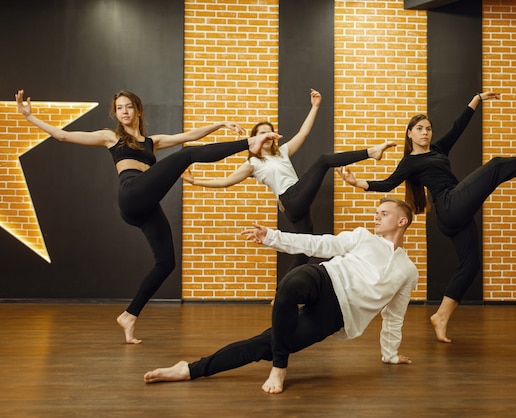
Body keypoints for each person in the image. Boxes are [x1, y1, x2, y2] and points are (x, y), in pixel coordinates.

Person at [15, 89, 279, 344]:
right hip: (131, 194)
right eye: (119, 108)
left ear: (138, 110)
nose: (124, 111)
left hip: (146, 205)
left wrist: (220, 123)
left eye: (129, 106)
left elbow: (189, 134)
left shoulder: (152, 142)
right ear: (115, 114)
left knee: (166, 263)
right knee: (186, 155)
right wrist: (29, 116)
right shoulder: (110, 137)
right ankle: (249, 144)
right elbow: (63, 136)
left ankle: (129, 316)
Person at [337, 92, 516, 343]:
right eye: (420, 128)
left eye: (428, 129)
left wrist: (476, 99)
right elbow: (388, 183)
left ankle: (441, 316)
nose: (425, 133)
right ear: (409, 133)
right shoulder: (410, 162)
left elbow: (459, 127)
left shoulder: (436, 150)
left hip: (454, 211)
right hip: (448, 205)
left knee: (470, 265)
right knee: (498, 165)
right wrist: (356, 182)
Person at [143, 197, 418, 394]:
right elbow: (319, 243)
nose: (376, 217)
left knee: (264, 343)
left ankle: (189, 369)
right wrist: (272, 237)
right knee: (289, 285)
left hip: (335, 315)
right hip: (324, 279)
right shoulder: (363, 237)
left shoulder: (407, 270)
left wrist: (390, 354)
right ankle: (279, 365)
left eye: (383, 213)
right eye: (377, 212)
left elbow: (394, 315)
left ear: (402, 221)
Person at [182, 88, 396, 275]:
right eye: (262, 133)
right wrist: (195, 181)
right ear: (254, 138)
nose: (267, 135)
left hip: (297, 205)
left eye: (269, 132)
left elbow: (303, 133)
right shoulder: (253, 163)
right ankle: (372, 151)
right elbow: (225, 182)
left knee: (305, 248)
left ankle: (280, 293)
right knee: (323, 160)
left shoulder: (282, 152)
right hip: (291, 199)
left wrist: (315, 106)